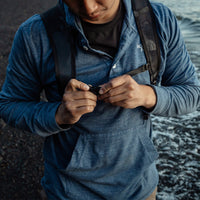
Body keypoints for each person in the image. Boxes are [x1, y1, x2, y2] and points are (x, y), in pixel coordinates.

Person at [0, 0, 199, 199]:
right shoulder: (34, 34)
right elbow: (10, 105)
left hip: (140, 189)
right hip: (69, 191)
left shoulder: (159, 19)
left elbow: (192, 94)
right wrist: (58, 115)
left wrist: (147, 95)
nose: (89, 8)